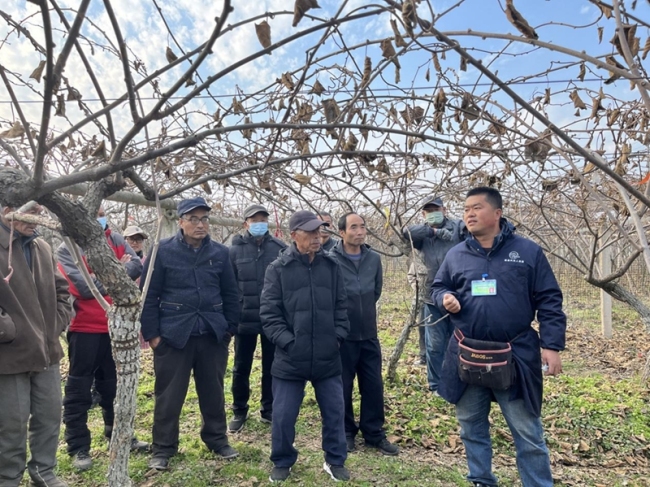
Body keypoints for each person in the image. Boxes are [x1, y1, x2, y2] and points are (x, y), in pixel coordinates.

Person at [432, 187, 566, 487]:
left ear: (497, 213)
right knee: (470, 425)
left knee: (527, 431)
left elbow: (549, 299)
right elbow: (438, 287)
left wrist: (552, 345)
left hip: (515, 352)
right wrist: (445, 298)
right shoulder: (457, 254)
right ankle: (482, 479)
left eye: (477, 207)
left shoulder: (527, 252)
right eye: (466, 208)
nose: (469, 213)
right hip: (468, 352)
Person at [140, 197, 241, 471]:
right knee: (168, 396)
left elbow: (232, 294)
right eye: (194, 219)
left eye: (205, 219)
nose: (200, 224)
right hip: (173, 336)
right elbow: (149, 295)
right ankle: (163, 448)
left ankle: (217, 440)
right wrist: (153, 335)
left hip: (211, 334)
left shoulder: (221, 253)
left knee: (213, 392)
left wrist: (229, 328)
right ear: (181, 221)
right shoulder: (162, 250)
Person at [260, 210, 350, 483]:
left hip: (327, 357)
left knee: (335, 412)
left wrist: (336, 337)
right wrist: (289, 343)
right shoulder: (278, 269)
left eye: (319, 231)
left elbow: (341, 307)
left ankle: (334, 460)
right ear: (293, 235)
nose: (317, 237)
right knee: (283, 416)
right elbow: (269, 314)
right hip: (291, 359)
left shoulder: (332, 266)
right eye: (310, 232)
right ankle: (283, 460)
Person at [57, 206, 146, 472]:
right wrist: (116, 273)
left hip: (116, 325)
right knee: (79, 388)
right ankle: (78, 445)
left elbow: (135, 266)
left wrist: (101, 275)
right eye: (92, 213)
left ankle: (118, 434)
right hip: (84, 327)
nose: (98, 217)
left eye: (100, 211)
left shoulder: (116, 239)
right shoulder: (68, 247)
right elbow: (83, 288)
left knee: (114, 386)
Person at [0, 203, 73, 487]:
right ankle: (7, 477)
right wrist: (9, 329)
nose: (38, 219)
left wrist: (54, 325)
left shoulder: (42, 246)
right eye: (32, 211)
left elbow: (62, 290)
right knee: (11, 423)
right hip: (9, 355)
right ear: (8, 210)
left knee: (49, 415)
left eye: (41, 212)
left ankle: (44, 472)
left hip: (47, 352)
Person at [329, 212, 399, 456]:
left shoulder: (373, 258)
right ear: (341, 232)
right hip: (343, 335)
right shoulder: (330, 259)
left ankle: (374, 433)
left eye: (363, 227)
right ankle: (347, 432)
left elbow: (375, 291)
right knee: (343, 385)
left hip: (369, 333)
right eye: (354, 227)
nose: (360, 231)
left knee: (373, 385)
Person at [228, 204, 287, 432]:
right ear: (246, 224)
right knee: (241, 366)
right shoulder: (234, 250)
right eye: (254, 220)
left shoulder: (279, 249)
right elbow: (230, 286)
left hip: (272, 320)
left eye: (262, 219)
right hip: (244, 319)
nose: (259, 223)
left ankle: (269, 409)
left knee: (272, 366)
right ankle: (239, 410)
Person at [403, 196, 464, 394]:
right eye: (428, 211)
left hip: (458, 295)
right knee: (435, 345)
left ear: (444, 210)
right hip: (431, 296)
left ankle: (458, 380)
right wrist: (434, 231)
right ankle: (436, 385)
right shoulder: (423, 234)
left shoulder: (457, 227)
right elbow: (406, 232)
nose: (433, 213)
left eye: (436, 209)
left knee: (457, 341)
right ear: (423, 214)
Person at [407, 261, 428, 365]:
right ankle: (424, 357)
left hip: (441, 298)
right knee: (422, 328)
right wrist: (417, 287)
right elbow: (411, 275)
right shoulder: (418, 259)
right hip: (424, 299)